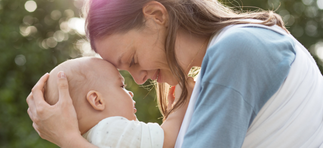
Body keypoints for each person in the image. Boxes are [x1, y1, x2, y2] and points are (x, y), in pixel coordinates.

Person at [27, 0, 323, 147]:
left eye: (131, 59)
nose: (138, 79)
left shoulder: (237, 48)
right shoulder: (243, 44)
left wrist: (68, 138)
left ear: (156, 16)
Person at [43, 57, 191, 148]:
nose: (130, 92)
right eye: (121, 86)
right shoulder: (110, 130)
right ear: (97, 100)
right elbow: (167, 140)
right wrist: (182, 100)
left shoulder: (88, 140)